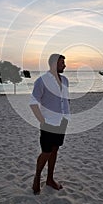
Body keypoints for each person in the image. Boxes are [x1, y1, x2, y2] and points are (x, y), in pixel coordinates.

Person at [30, 54, 70, 195]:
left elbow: (65, 99)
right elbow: (33, 102)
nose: (64, 66)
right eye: (62, 63)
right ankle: (37, 177)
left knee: (55, 150)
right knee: (46, 151)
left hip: (62, 121)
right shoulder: (42, 81)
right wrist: (42, 120)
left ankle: (50, 179)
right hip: (48, 122)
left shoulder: (65, 80)